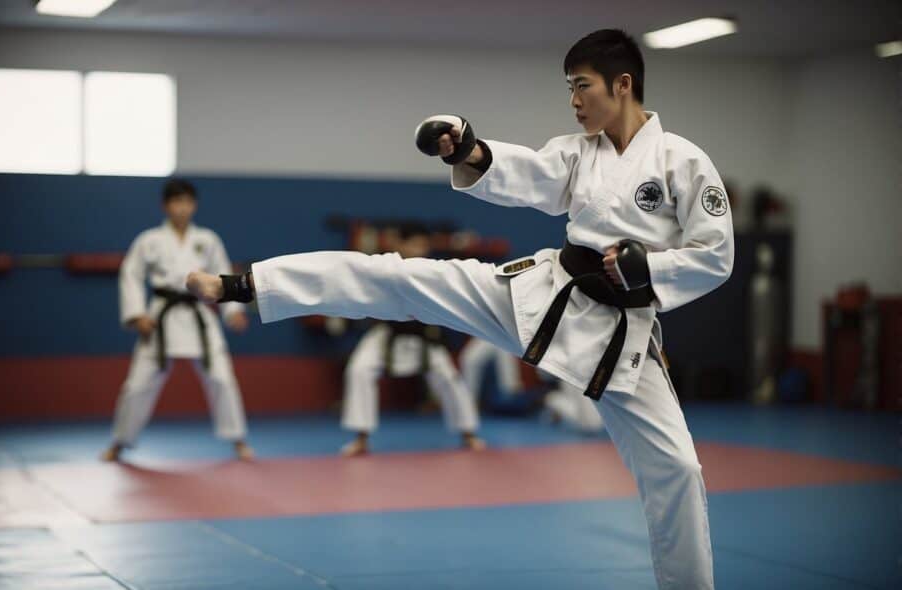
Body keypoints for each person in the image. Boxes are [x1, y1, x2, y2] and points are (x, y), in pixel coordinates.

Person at [188, 29, 731, 589]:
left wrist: (651, 269)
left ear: (623, 85)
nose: (573, 101)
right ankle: (249, 285)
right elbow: (527, 174)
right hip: (541, 296)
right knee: (397, 277)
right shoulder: (577, 152)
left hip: (622, 337)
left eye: (582, 86)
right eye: (568, 87)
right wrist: (470, 150)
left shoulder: (682, 162)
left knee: (680, 471)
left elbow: (716, 254)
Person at [101, 179, 253, 462]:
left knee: (221, 378)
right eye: (176, 202)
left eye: (186, 202)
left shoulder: (208, 240)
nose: (181, 208)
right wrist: (137, 315)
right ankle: (120, 442)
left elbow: (222, 276)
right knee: (138, 385)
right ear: (165, 205)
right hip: (161, 316)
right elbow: (130, 275)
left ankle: (238, 439)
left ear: (194, 205)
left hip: (198, 315)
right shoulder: (149, 240)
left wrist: (233, 312)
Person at [339, 222, 484, 456]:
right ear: (399, 243)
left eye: (424, 244)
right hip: (388, 334)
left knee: (449, 378)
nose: (420, 249)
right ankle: (361, 438)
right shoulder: (383, 268)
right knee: (359, 369)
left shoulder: (435, 270)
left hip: (423, 336)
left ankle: (468, 434)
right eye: (414, 243)